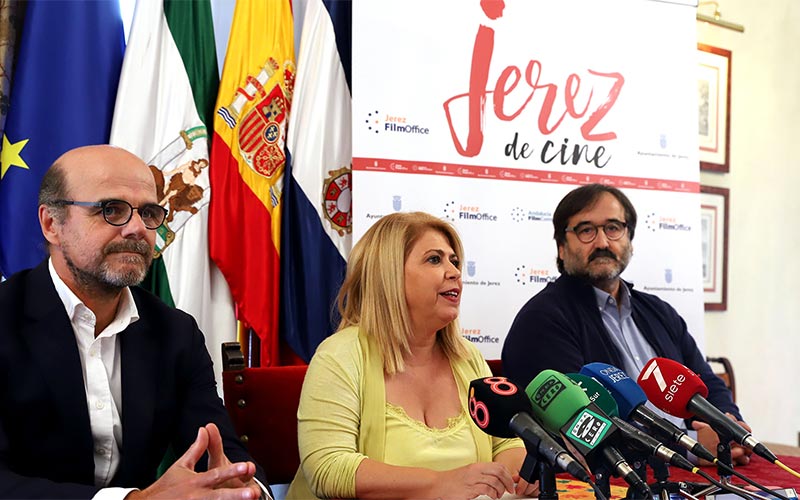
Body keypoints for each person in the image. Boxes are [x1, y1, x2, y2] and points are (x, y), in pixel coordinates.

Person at [0, 145, 269, 499]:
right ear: (52, 224)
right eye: (111, 210)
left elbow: (218, 450)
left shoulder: (175, 333)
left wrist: (242, 486)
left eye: (149, 213)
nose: (137, 229)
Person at [286, 212, 537, 500]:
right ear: (388, 275)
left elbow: (504, 444)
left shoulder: (468, 357)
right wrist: (441, 483)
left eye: (454, 261)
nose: (455, 272)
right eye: (435, 259)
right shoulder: (339, 356)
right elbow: (328, 469)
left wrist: (522, 476)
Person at [502, 183, 752, 465]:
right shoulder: (542, 320)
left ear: (630, 240)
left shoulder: (659, 312)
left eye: (613, 228)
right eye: (586, 230)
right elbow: (584, 429)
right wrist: (691, 447)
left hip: (696, 467)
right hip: (620, 476)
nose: (602, 243)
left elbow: (707, 383)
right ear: (561, 247)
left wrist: (728, 428)